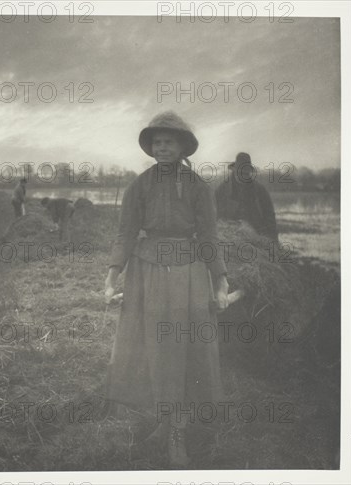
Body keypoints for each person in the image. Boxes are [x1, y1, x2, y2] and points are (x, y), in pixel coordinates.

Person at [103, 111, 229, 467]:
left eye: (168, 142)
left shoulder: (198, 188)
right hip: (146, 274)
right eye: (157, 142)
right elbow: (125, 232)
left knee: (185, 351)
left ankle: (178, 433)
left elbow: (208, 237)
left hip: (188, 274)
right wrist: (113, 274)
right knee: (152, 349)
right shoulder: (138, 186)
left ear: (182, 147)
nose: (162, 148)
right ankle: (162, 420)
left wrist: (220, 280)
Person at [215, 153, 279, 242]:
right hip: (229, 237)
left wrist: (274, 241)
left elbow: (270, 217)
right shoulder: (222, 190)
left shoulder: (260, 190)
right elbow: (214, 216)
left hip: (256, 236)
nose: (243, 176)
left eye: (246, 173)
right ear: (234, 171)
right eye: (240, 172)